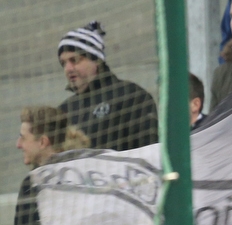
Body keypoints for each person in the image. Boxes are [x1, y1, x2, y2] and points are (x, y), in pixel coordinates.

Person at [57, 22, 158, 151]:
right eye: (63, 63)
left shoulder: (131, 95)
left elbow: (150, 150)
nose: (68, 69)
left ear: (96, 61)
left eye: (74, 60)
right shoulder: (64, 111)